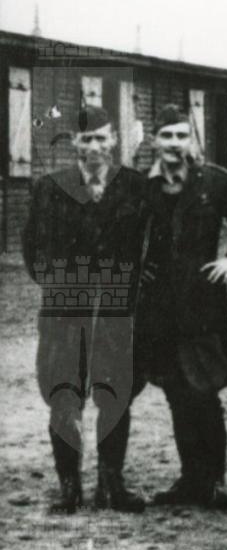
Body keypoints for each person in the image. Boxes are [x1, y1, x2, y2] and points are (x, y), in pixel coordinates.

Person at [22, 107, 148, 512]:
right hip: (65, 311)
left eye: (101, 138)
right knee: (63, 394)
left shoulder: (135, 186)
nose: (94, 147)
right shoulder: (50, 188)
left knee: (115, 393)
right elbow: (32, 247)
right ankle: (69, 486)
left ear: (114, 140)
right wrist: (59, 284)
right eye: (86, 139)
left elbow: (150, 243)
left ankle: (111, 484)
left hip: (116, 309)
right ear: (74, 143)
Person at [135, 105, 227, 509]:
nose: (174, 143)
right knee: (175, 392)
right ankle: (190, 479)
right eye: (166, 135)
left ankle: (213, 481)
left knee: (203, 391)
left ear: (192, 139)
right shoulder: (140, 186)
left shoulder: (216, 182)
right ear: (154, 140)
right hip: (157, 309)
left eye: (181, 135)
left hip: (202, 305)